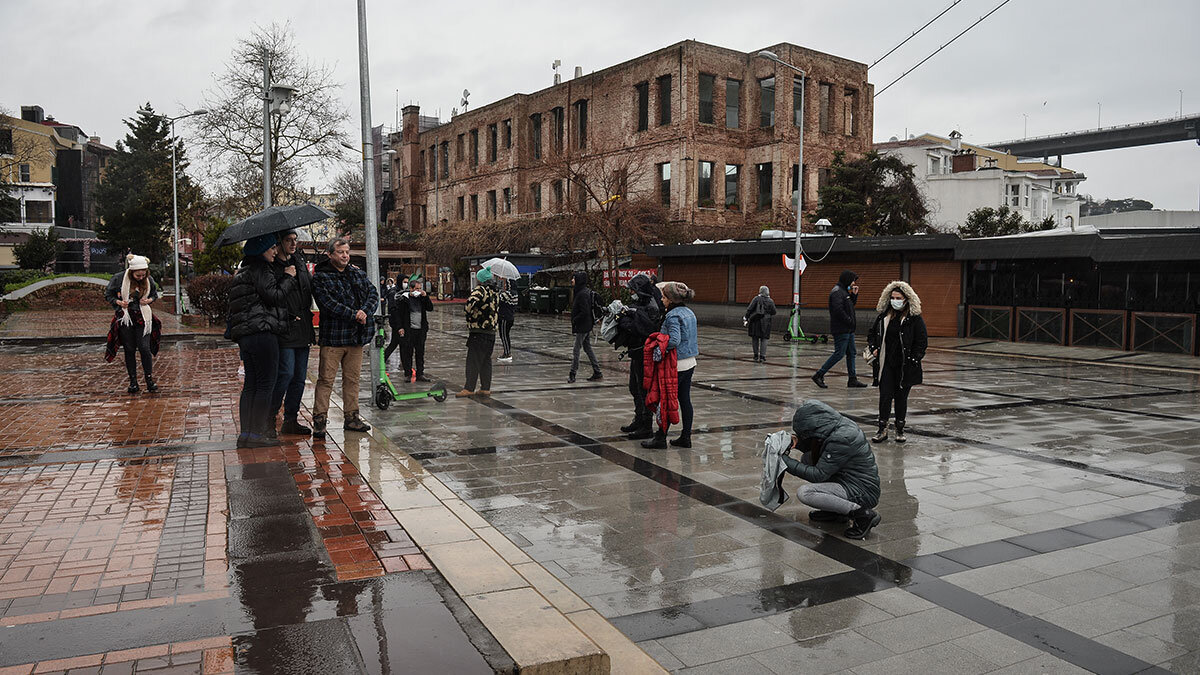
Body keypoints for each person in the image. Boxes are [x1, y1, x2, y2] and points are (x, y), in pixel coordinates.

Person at [227, 233, 297, 448]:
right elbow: (274, 296)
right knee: (266, 384)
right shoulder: (261, 269)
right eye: (271, 248)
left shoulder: (243, 272)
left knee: (251, 385)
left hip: (246, 335)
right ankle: (257, 435)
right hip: (263, 332)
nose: (275, 251)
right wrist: (288, 277)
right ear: (261, 250)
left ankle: (246, 434)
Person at [779, 399, 881, 539]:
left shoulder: (842, 437)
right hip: (848, 479)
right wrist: (795, 443)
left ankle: (862, 514)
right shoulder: (834, 426)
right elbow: (819, 448)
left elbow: (818, 475)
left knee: (805, 493)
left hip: (863, 491)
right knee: (808, 458)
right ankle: (836, 512)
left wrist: (784, 462)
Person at [310, 237, 378, 438]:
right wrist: (353, 314)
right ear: (330, 254)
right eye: (340, 252)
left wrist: (364, 311)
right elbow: (328, 304)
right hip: (333, 338)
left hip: (356, 337)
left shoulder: (356, 273)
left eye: (347, 252)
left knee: (352, 380)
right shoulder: (321, 277)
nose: (345, 256)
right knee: (326, 380)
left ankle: (352, 417)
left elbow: (372, 293)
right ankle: (320, 420)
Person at [866, 281, 928, 444]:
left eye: (898, 298)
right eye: (892, 297)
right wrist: (874, 347)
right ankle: (882, 429)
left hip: (905, 367)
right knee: (885, 397)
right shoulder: (884, 316)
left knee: (901, 399)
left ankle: (900, 429)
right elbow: (872, 334)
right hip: (886, 364)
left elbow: (921, 341)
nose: (895, 300)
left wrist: (914, 358)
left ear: (906, 299)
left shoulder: (914, 318)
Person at [267, 230, 315, 437]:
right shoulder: (272, 267)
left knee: (299, 376)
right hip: (285, 327)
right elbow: (272, 297)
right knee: (285, 373)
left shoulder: (299, 261)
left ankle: (291, 419)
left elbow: (308, 288)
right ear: (279, 243)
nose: (293, 244)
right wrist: (287, 275)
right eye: (289, 240)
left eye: (295, 240)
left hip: (303, 326)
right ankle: (269, 416)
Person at [643, 281, 698, 449]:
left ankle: (660, 437)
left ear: (671, 299)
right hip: (690, 362)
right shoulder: (689, 312)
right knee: (684, 399)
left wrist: (660, 345)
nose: (661, 299)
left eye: (664, 297)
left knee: (665, 400)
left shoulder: (672, 315)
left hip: (676, 364)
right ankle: (685, 436)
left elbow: (674, 340)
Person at [104, 254, 162, 394]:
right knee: (129, 349)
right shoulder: (118, 278)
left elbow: (154, 294)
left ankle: (149, 380)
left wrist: (149, 300)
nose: (141, 278)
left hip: (143, 318)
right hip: (126, 318)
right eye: (138, 275)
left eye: (143, 275)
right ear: (131, 272)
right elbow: (108, 295)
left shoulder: (149, 280)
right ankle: (133, 382)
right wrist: (118, 302)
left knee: (144, 348)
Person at [616, 273, 663, 440]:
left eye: (633, 290)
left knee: (643, 389)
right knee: (634, 388)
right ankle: (639, 419)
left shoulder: (650, 307)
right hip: (637, 351)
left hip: (644, 353)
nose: (631, 293)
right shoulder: (641, 304)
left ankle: (646, 424)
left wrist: (624, 321)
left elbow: (640, 328)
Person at [812, 270, 869, 389]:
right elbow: (838, 311)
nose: (854, 283)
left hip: (848, 329)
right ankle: (819, 374)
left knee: (851, 353)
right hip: (842, 329)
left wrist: (854, 295)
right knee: (839, 353)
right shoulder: (837, 292)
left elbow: (849, 306)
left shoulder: (844, 292)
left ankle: (852, 379)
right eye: (853, 280)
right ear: (847, 279)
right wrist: (848, 320)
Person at [458, 267, 499, 397]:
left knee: (473, 361)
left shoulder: (480, 290)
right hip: (491, 332)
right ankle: (485, 388)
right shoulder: (495, 291)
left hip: (478, 331)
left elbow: (469, 306)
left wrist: (470, 314)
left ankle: (469, 388)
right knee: (486, 361)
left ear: (480, 280)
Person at [397, 272, 434, 382]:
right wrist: (400, 327)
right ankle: (408, 373)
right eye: (417, 289)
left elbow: (430, 308)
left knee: (420, 352)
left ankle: (420, 374)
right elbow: (399, 314)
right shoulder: (404, 299)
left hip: (420, 329)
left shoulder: (422, 299)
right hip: (410, 329)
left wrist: (425, 297)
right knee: (408, 352)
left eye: (420, 288)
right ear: (411, 289)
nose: (419, 290)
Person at [568, 271, 603, 383]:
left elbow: (585, 311)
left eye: (574, 278)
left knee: (576, 350)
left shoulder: (582, 294)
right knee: (587, 348)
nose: (572, 280)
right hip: (586, 325)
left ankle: (573, 373)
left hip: (583, 326)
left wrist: (575, 319)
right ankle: (597, 372)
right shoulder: (582, 291)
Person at [744, 285, 777, 363]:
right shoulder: (770, 301)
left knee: (755, 338)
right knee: (764, 339)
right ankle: (762, 356)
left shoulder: (756, 299)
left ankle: (755, 355)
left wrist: (746, 317)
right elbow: (774, 312)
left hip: (756, 321)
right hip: (766, 322)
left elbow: (749, 309)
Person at [497, 278, 518, 362]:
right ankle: (507, 351)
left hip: (504, 317)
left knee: (504, 335)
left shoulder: (508, 294)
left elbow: (498, 299)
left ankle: (507, 353)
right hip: (510, 317)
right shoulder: (515, 293)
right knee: (506, 335)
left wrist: (498, 291)